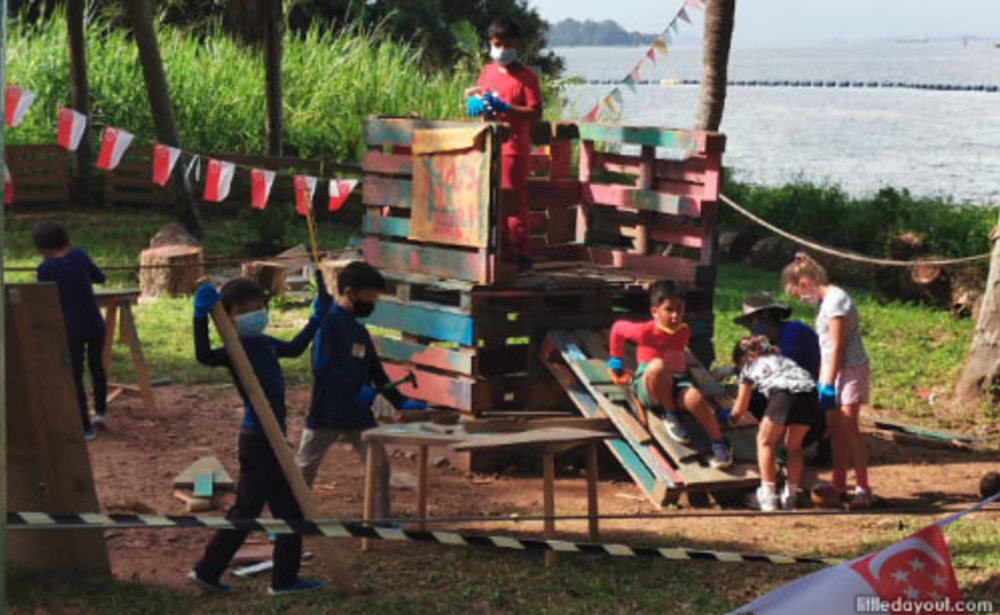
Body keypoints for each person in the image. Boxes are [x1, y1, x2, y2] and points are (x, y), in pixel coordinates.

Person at [188, 278, 327, 596]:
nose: (258, 314)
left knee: (281, 511)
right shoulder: (234, 350)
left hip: (272, 438)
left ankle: (276, 579)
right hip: (259, 440)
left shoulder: (265, 343)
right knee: (252, 512)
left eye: (261, 308)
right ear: (231, 314)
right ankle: (212, 571)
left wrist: (316, 319)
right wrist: (198, 316)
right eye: (250, 310)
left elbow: (292, 350)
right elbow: (203, 355)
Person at [295, 262, 425, 522]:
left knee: (379, 467)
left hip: (359, 413)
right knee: (304, 468)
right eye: (369, 298)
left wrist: (400, 401)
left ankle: (380, 521)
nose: (372, 303)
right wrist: (355, 388)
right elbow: (323, 366)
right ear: (350, 292)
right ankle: (288, 520)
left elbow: (376, 371)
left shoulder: (359, 330)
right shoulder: (329, 323)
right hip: (327, 411)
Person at [608, 280, 733, 469]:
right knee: (658, 366)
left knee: (694, 397)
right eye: (668, 309)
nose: (675, 316)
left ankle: (719, 442)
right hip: (651, 385)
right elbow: (618, 328)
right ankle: (671, 414)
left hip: (678, 381)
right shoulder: (644, 331)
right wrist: (615, 359)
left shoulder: (684, 331)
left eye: (680, 309)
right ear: (654, 311)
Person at [782, 252, 873, 509]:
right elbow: (826, 349)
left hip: (851, 369)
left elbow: (838, 347)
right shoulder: (824, 303)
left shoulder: (837, 302)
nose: (801, 299)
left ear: (805, 282)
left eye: (798, 293)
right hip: (833, 370)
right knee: (834, 428)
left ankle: (863, 487)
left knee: (848, 426)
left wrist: (828, 383)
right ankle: (839, 483)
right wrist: (822, 381)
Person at [465, 16, 543, 273]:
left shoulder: (526, 78)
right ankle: (496, 250)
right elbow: (480, 101)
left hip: (514, 147)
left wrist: (507, 108)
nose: (501, 48)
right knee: (490, 200)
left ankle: (521, 254)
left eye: (507, 44)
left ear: (516, 44)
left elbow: (535, 112)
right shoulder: (487, 71)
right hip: (488, 145)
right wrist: (475, 106)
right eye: (497, 43)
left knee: (514, 202)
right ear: (490, 43)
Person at [33, 221, 107, 440]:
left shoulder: (45, 269)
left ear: (42, 248)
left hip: (70, 329)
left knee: (75, 376)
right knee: (97, 367)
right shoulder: (80, 256)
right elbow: (100, 278)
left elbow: (43, 297)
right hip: (94, 324)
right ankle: (101, 411)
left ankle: (85, 427)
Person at [733, 291, 828, 462]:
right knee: (750, 400)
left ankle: (813, 440)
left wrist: (740, 373)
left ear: (765, 316)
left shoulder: (794, 332)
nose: (749, 328)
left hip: (810, 401)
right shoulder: (770, 340)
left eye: (750, 322)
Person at [731, 335, 822, 511]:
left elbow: (740, 407)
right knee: (794, 446)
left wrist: (731, 418)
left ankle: (768, 496)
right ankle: (790, 495)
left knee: (765, 442)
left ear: (743, 358)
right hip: (810, 394)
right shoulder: (783, 360)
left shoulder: (748, 368)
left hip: (784, 394)